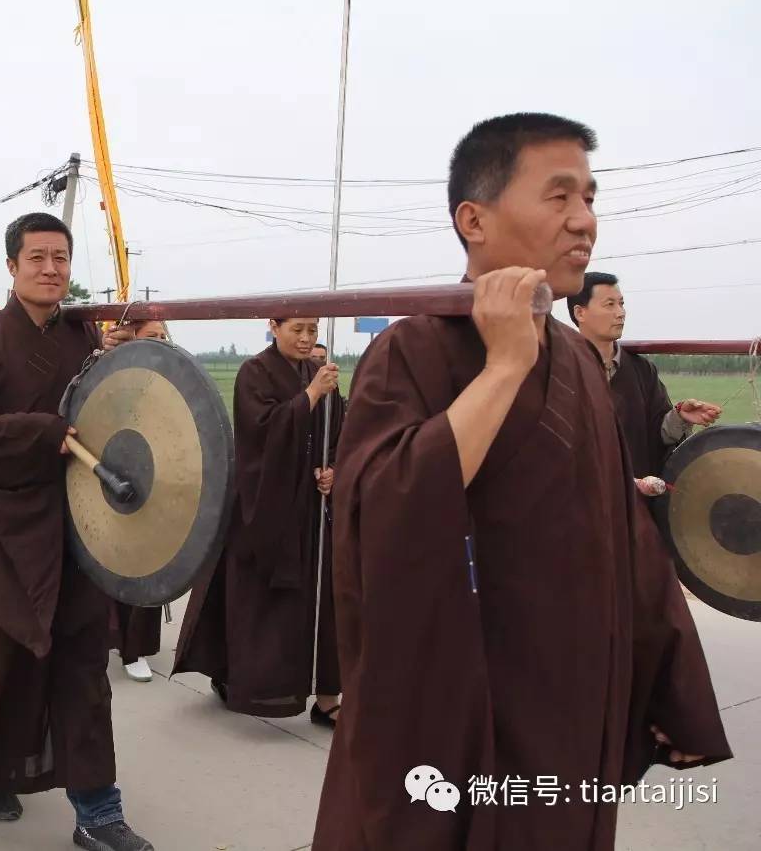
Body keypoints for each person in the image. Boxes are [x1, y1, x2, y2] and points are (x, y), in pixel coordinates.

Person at [311, 113, 730, 851]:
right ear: (473, 218)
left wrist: (673, 686)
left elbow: (622, 535)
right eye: (560, 197)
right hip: (457, 706)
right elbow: (381, 520)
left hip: (569, 704)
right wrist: (503, 365)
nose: (585, 222)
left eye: (590, 199)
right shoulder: (412, 349)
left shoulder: (574, 362)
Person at [0, 212, 153, 851]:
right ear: (11, 267)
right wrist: (40, 432)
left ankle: (98, 812)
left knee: (83, 665)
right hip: (1, 528)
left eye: (61, 258)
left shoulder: (86, 338)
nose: (51, 269)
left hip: (79, 526)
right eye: (37, 259)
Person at [173, 317, 343, 724]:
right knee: (256, 604)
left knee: (318, 600)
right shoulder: (255, 372)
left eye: (313, 331)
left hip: (308, 510)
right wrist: (310, 396)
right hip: (263, 507)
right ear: (274, 327)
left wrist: (333, 466)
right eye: (297, 329)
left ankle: (325, 695)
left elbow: (337, 429)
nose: (306, 339)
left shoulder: (316, 371)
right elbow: (260, 432)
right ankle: (245, 682)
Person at [567, 271, 722, 491]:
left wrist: (679, 417)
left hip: (637, 501)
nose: (620, 313)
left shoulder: (641, 370)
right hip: (579, 497)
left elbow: (656, 434)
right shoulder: (561, 368)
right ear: (580, 312)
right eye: (609, 304)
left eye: (621, 304)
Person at [109, 320, 172, 683]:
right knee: (113, 566)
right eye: (152, 337)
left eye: (164, 337)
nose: (160, 343)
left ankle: (136, 647)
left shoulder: (172, 381)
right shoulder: (114, 378)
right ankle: (117, 640)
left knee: (149, 567)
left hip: (158, 487)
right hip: (116, 488)